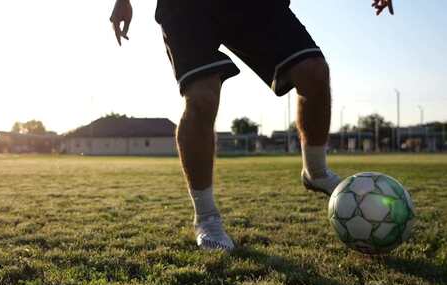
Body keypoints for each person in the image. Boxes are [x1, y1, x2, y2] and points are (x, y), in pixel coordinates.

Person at [109, 0, 394, 251]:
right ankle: (207, 218)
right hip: (187, 6)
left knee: (313, 71)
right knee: (201, 97)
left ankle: (316, 171)